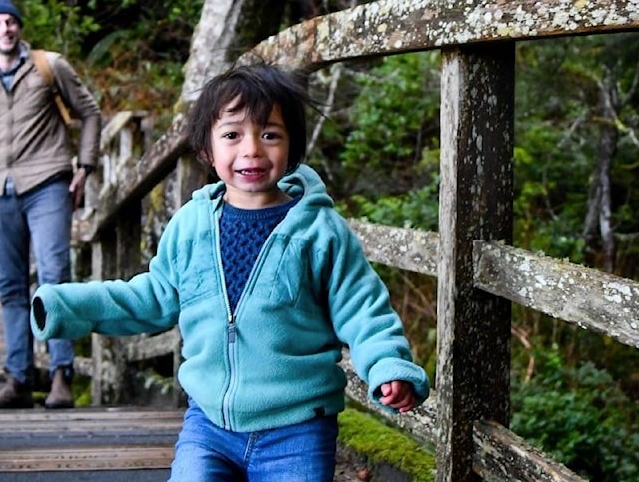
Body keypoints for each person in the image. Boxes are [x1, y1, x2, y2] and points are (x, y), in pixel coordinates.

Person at [30, 63, 428, 479]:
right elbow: (152, 296)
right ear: (207, 149)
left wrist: (387, 365)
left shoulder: (320, 231)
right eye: (232, 135)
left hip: (297, 427)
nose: (252, 149)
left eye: (270, 134)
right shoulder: (191, 225)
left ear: (292, 146)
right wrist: (67, 305)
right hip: (209, 424)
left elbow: (362, 308)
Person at [0, 0, 101, 410]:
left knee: (53, 276)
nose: (5, 30)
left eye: (10, 22)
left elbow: (90, 112)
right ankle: (17, 380)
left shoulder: (50, 65)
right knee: (10, 285)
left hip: (48, 181)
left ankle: (60, 376)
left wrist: (85, 166)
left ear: (20, 28)